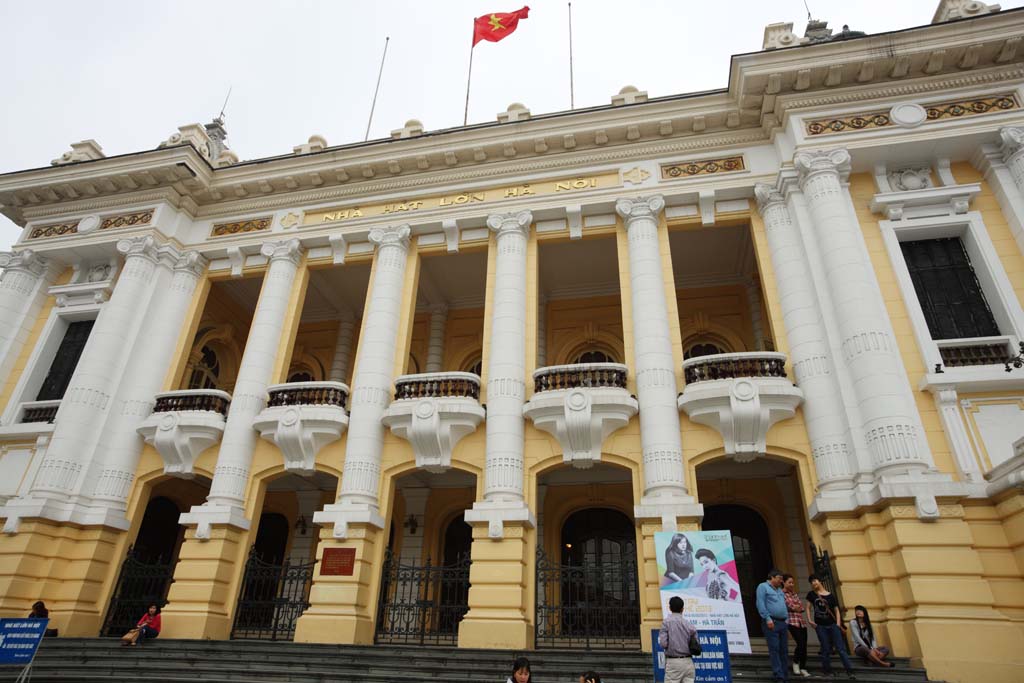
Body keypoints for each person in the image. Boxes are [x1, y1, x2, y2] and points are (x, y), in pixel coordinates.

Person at [806, 574, 855, 679]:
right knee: (825, 649)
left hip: (832, 625)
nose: (813, 583)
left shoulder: (830, 595)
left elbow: (836, 610)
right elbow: (808, 608)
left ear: (820, 581)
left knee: (841, 649)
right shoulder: (812, 594)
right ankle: (827, 671)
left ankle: (850, 671)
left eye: (815, 580)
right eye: (811, 582)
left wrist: (837, 624)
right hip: (820, 626)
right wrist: (810, 620)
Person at [756, 568, 791, 683]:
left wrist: (787, 619)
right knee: (774, 649)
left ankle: (785, 674)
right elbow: (760, 603)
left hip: (783, 622)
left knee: (784, 650)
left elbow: (783, 605)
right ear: (772, 577)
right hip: (772, 622)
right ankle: (778, 675)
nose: (781, 581)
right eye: (779, 578)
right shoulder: (763, 587)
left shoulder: (780, 590)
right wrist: (767, 618)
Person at [658, 595, 697, 683]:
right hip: (688, 662)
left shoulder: (666, 623)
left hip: (673, 663)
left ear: (670, 608)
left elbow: (663, 644)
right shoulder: (689, 625)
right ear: (682, 609)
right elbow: (695, 644)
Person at [782, 574, 810, 678]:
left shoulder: (794, 594)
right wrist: (795, 607)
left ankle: (803, 667)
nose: (791, 584)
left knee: (804, 645)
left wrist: (795, 607)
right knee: (800, 643)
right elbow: (789, 605)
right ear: (783, 582)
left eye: (792, 582)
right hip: (792, 622)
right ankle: (795, 663)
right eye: (789, 582)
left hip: (801, 622)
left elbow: (801, 607)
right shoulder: (782, 593)